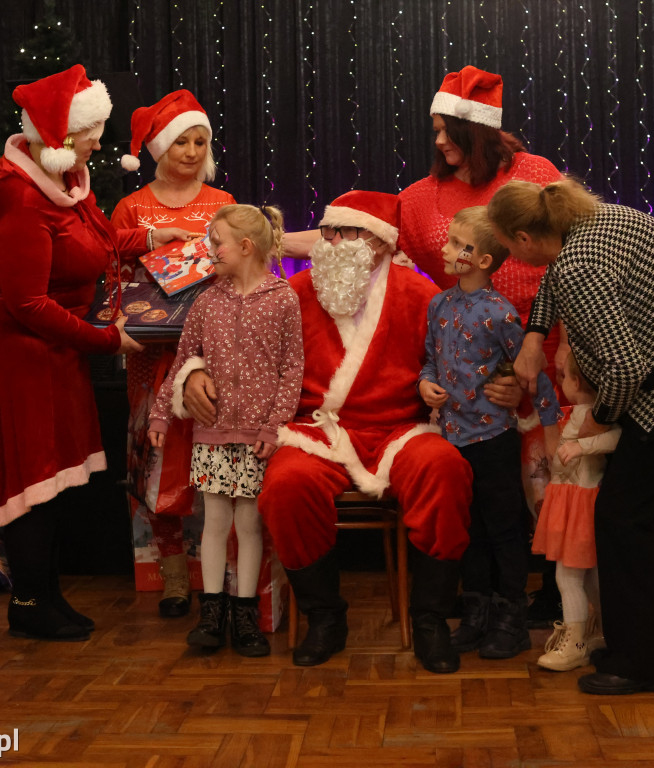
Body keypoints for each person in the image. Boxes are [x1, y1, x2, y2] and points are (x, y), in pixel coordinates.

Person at [186, 190, 475, 674]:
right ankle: (325, 617)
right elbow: (230, 340)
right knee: (285, 485)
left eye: (346, 232)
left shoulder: (419, 294)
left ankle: (429, 620)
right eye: (327, 232)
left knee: (445, 471)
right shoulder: (293, 295)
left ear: (379, 242)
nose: (332, 242)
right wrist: (195, 370)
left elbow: (451, 362)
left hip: (400, 429)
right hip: (316, 430)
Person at [486, 177, 654, 695]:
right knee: (633, 515)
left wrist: (601, 419)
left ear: (525, 238)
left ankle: (648, 664)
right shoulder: (598, 220)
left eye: (506, 247)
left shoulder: (578, 267)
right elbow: (554, 281)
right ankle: (644, 646)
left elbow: (623, 369)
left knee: (625, 517)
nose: (508, 257)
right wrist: (534, 336)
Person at [0, 65, 145, 641]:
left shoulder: (67, 182)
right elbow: (26, 304)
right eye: (92, 132)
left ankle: (46, 593)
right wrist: (109, 340)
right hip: (15, 354)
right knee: (33, 478)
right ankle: (30, 601)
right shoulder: (21, 198)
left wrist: (150, 241)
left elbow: (97, 241)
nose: (99, 142)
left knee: (57, 476)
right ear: (62, 138)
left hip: (53, 348)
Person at [398, 65, 569, 630]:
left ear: (480, 130)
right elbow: (372, 238)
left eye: (450, 129)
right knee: (487, 504)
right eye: (436, 130)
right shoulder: (421, 198)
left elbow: (568, 258)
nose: (440, 141)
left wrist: (527, 366)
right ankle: (483, 600)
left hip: (540, 358)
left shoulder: (535, 176)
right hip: (472, 385)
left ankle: (550, 596)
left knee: (545, 491)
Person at [147, 203, 302, 656]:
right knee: (215, 523)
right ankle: (211, 613)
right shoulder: (205, 301)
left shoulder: (282, 299)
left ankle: (245, 615)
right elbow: (182, 363)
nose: (208, 250)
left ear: (246, 247)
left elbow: (293, 369)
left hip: (257, 437)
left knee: (249, 525)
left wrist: (273, 428)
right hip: (212, 433)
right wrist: (161, 414)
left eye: (216, 242)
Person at [113, 90, 236, 619]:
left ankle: (222, 569)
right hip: (149, 356)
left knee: (212, 452)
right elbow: (110, 270)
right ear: (160, 147)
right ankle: (172, 575)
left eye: (200, 141)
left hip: (211, 356)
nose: (190, 151)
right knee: (156, 457)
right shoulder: (131, 207)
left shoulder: (223, 200)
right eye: (181, 141)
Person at [418, 206, 561, 660]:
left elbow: (529, 371)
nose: (446, 249)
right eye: (450, 240)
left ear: (481, 260)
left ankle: (510, 617)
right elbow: (429, 358)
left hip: (493, 440)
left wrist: (550, 424)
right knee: (471, 530)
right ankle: (476, 611)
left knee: (502, 528)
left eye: (459, 244)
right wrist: (425, 383)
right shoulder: (438, 305)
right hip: (450, 440)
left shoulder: (499, 314)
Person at [533, 350, 620, 671]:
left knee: (568, 576)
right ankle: (604, 632)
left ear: (577, 381)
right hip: (571, 503)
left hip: (579, 506)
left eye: (565, 377)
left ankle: (575, 643)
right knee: (589, 577)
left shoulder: (589, 415)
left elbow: (616, 438)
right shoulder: (582, 413)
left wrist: (581, 446)